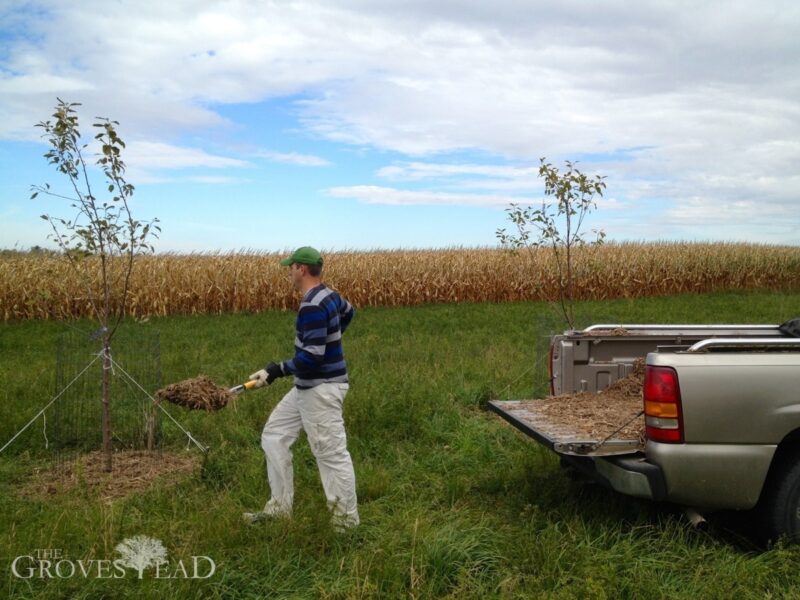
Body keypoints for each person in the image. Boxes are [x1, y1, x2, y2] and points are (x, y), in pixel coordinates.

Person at [242, 246, 360, 532]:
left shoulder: (311, 305)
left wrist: (275, 370)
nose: (289, 272)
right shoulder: (329, 295)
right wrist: (334, 337)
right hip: (308, 387)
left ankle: (346, 527)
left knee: (330, 454)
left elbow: (311, 357)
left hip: (320, 390)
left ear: (302, 269)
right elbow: (349, 312)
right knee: (274, 434)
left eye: (291, 267)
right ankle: (279, 509)